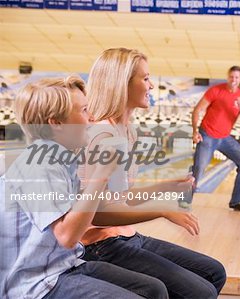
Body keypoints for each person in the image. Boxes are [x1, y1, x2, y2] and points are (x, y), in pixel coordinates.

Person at [1, 76, 167, 299]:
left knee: (152, 289)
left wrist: (160, 197)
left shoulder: (61, 160)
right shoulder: (39, 164)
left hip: (63, 265)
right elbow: (68, 235)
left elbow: (91, 213)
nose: (93, 117)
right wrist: (101, 175)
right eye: (84, 110)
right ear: (56, 123)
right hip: (34, 283)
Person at [79, 48, 227, 299]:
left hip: (126, 237)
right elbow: (97, 213)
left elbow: (119, 197)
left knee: (213, 272)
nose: (152, 85)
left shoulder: (127, 132)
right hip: (100, 246)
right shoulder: (101, 136)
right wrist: (161, 209)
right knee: (200, 292)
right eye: (145, 78)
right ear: (122, 84)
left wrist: (164, 187)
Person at [189, 66, 240, 212]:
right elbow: (197, 110)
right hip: (207, 135)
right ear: (228, 77)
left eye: (237, 77)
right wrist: (195, 131)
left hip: (225, 138)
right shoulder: (216, 90)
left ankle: (237, 201)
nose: (233, 80)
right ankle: (184, 201)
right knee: (198, 169)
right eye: (231, 77)